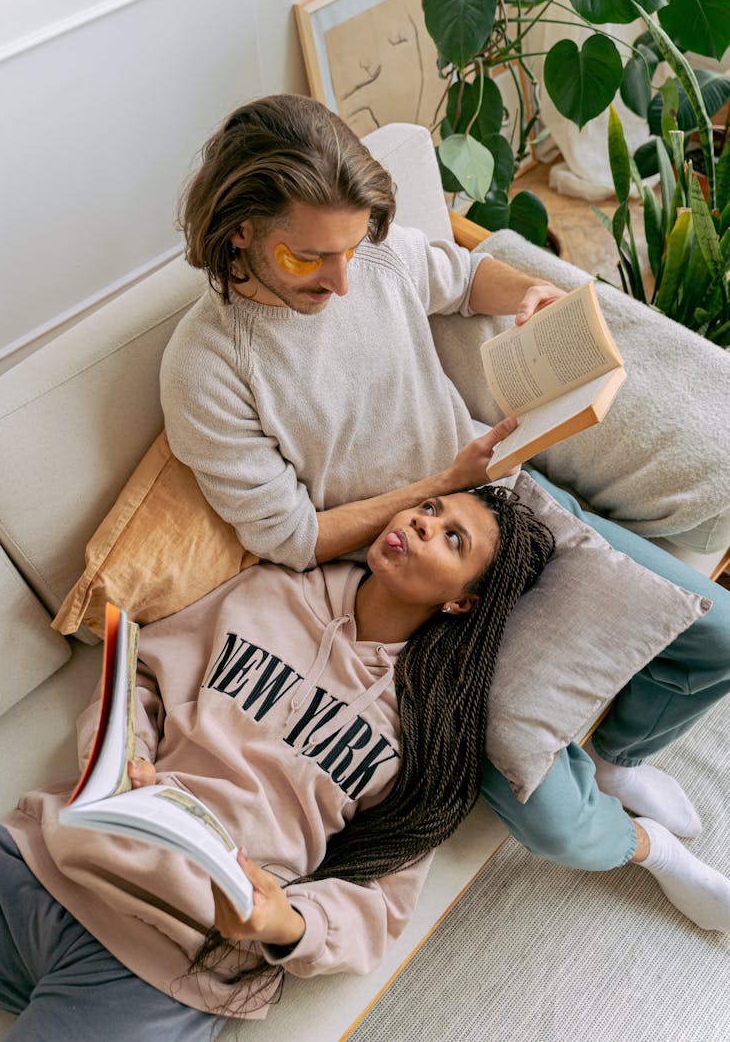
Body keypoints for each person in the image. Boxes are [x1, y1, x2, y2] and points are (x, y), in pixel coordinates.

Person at [160, 94, 730, 931]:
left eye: (354, 249)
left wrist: (531, 293)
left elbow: (461, 278)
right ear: (238, 227)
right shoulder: (209, 366)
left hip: (508, 500)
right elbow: (289, 537)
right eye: (310, 257)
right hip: (409, 583)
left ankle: (617, 755)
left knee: (716, 635)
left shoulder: (372, 260)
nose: (343, 280)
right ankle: (650, 848)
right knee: (550, 815)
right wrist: (437, 486)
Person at [0, 486, 554, 1037]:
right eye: (430, 507)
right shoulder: (265, 590)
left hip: (174, 967)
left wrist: (287, 924)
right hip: (44, 860)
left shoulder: (430, 735)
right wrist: (127, 761)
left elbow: (378, 904)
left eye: (454, 539)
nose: (424, 522)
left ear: (461, 602)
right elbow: (144, 675)